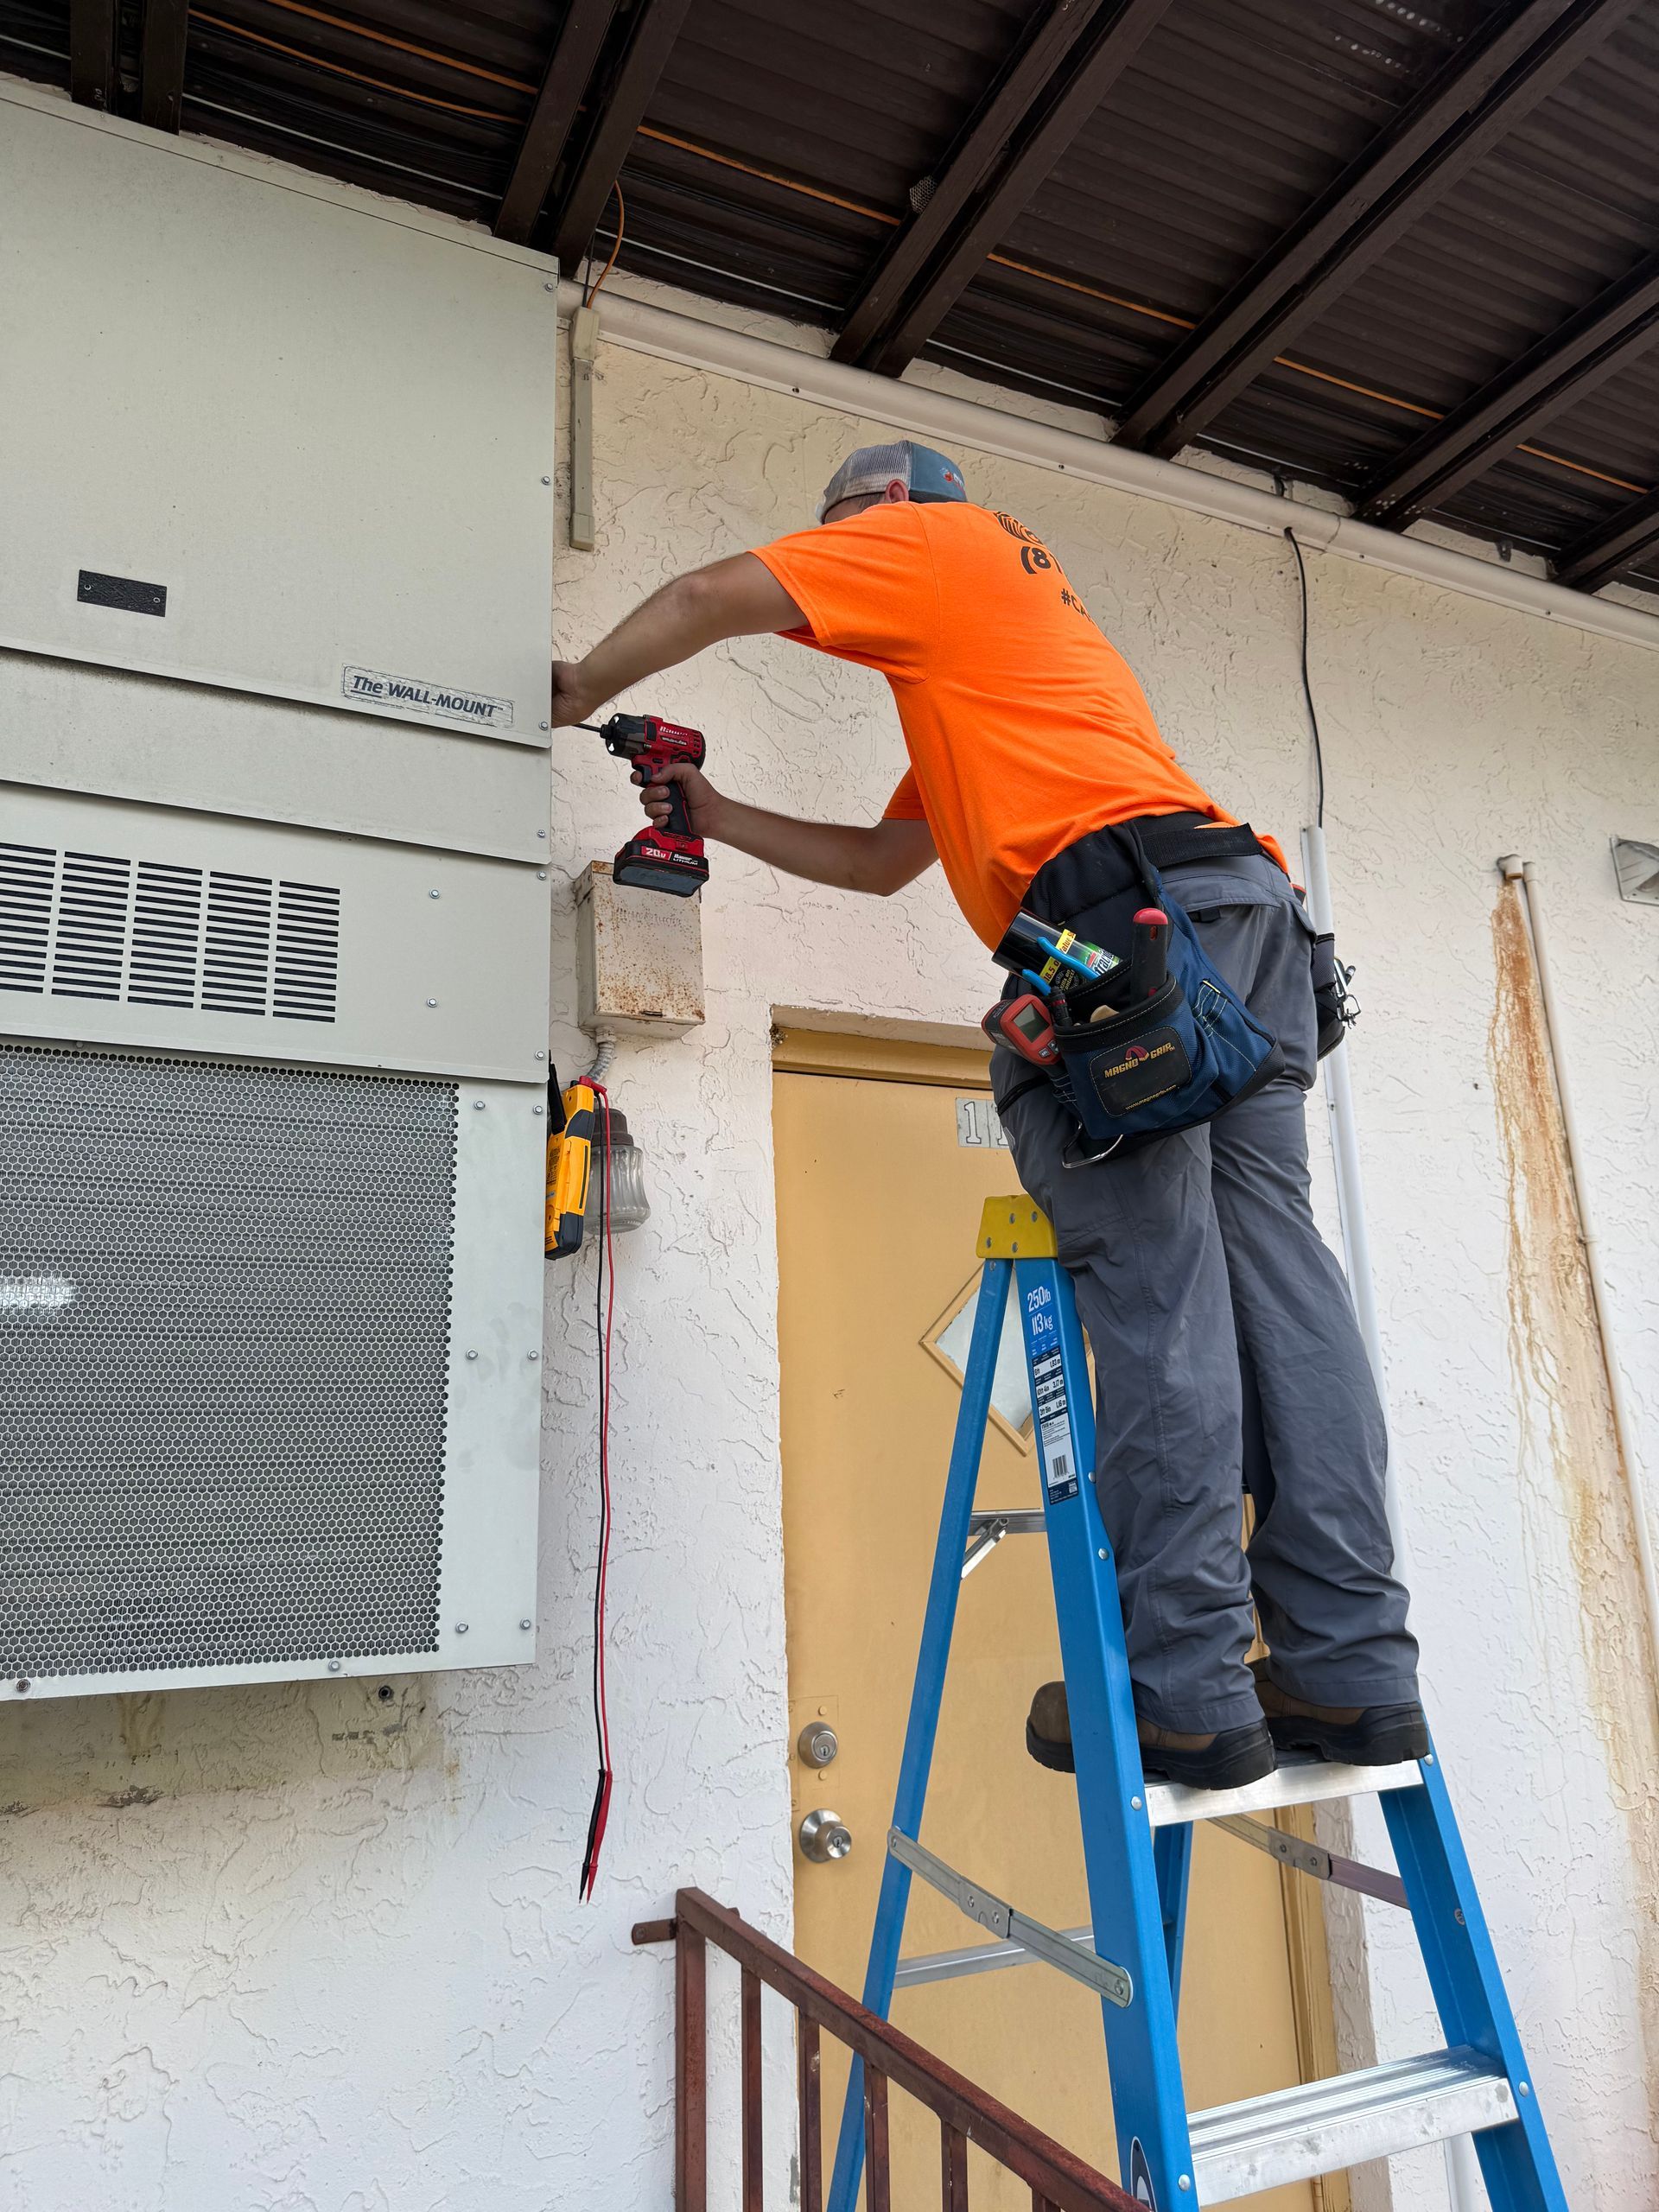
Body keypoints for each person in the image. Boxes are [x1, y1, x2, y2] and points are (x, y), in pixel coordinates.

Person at [550, 439, 1425, 1791]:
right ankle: (1352, 1671)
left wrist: (576, 685)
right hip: (1241, 923)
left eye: (834, 528)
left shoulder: (935, 542)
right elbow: (883, 866)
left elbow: (712, 592)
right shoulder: (996, 666)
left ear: (881, 512)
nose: (831, 555)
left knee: (1155, 1291)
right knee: (1283, 1285)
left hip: (1132, 940)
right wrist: (715, 814)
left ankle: (1185, 1685)